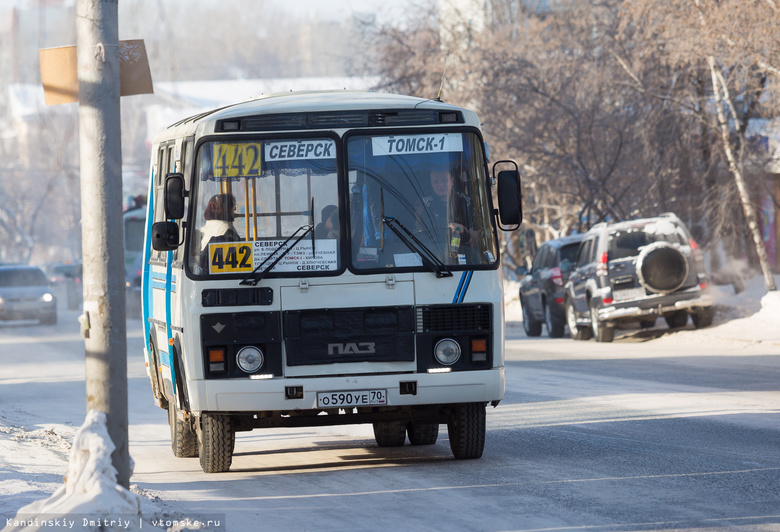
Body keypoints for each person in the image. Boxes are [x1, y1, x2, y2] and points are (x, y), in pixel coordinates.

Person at [415, 164, 477, 251]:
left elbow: (478, 219)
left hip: (463, 253)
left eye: (444, 180)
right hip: (432, 252)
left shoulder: (465, 201)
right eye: (436, 181)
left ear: (452, 181)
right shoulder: (424, 203)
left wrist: (475, 229)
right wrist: (448, 226)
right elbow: (423, 224)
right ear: (431, 184)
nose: (440, 184)